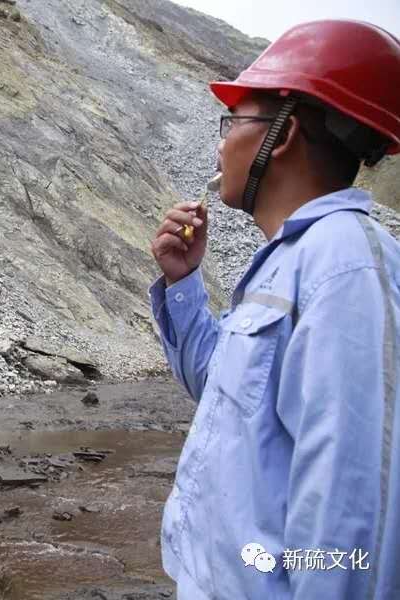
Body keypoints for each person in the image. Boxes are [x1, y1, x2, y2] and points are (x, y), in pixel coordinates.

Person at [148, 20, 400, 599]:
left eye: (232, 122)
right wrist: (183, 283)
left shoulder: (347, 269)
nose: (220, 144)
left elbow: (352, 519)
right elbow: (224, 392)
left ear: (281, 135)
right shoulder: (290, 260)